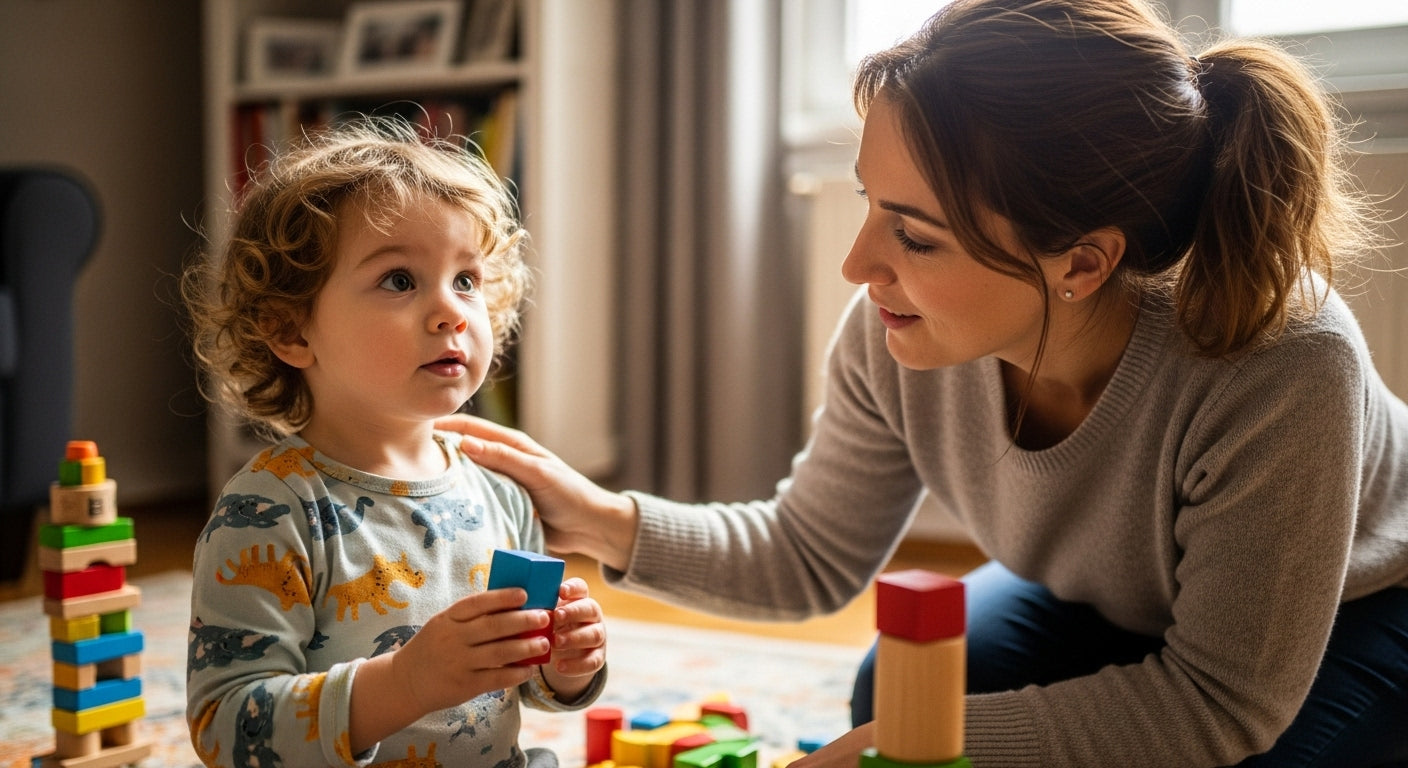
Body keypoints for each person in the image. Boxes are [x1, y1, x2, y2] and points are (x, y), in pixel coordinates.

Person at [438, 1, 1408, 766]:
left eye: (914, 234)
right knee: (895, 693)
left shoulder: (1282, 359)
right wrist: (601, 519)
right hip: (1114, 600)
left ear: (1082, 262)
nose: (857, 265)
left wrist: (910, 747)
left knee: (938, 734)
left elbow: (1218, 702)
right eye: (870, 204)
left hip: (1354, 615)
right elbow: (809, 554)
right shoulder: (899, 329)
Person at [182, 115, 607, 768]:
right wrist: (405, 682)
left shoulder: (503, 494)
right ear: (291, 330)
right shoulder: (268, 513)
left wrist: (564, 664)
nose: (452, 312)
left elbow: (520, 681)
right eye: (400, 280)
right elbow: (228, 728)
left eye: (466, 280)